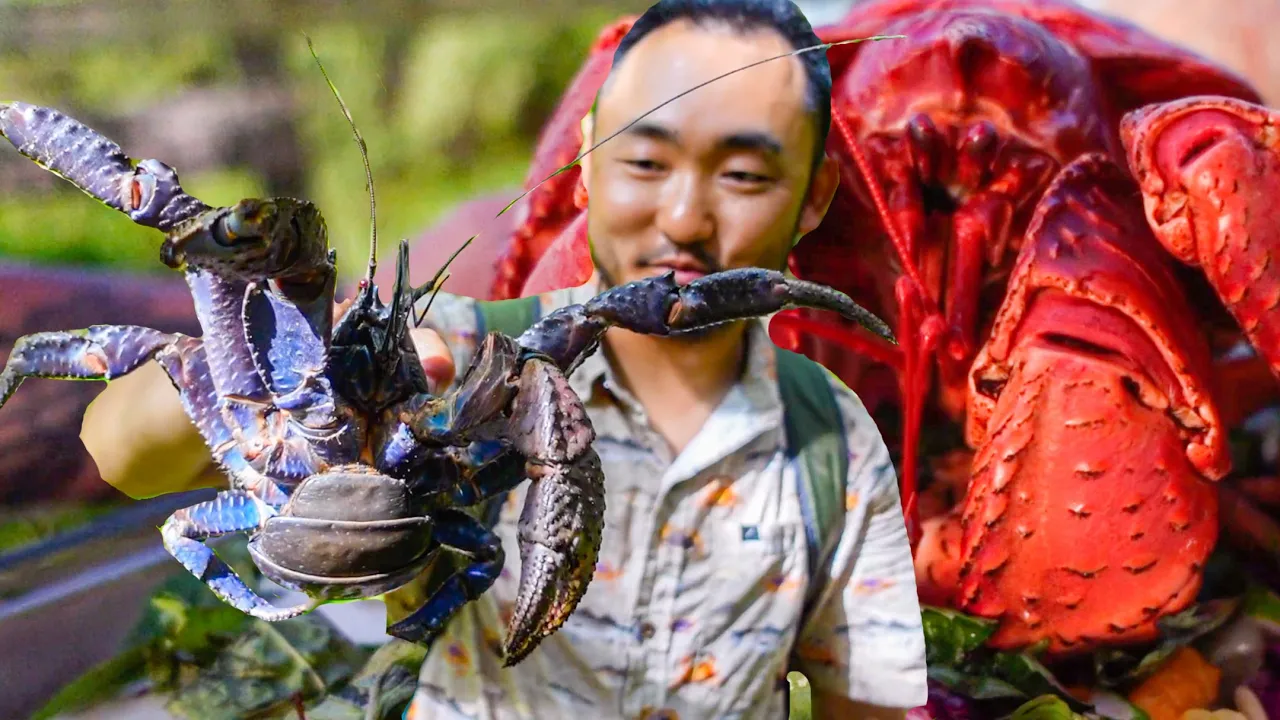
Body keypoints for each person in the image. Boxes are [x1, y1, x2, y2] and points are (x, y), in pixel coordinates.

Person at [79, 0, 928, 717]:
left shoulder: (831, 437)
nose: (683, 217)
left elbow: (869, 699)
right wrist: (265, 375)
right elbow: (122, 455)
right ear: (589, 159)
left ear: (815, 196)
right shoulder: (461, 346)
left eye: (743, 175)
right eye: (645, 161)